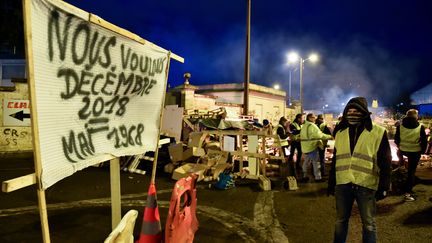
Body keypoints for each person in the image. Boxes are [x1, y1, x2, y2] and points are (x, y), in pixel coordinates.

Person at [327, 97, 392, 243]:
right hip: (343, 183)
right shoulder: (340, 132)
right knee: (340, 221)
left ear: (364, 112)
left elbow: (385, 161)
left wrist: (384, 185)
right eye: (349, 111)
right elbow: (336, 159)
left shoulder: (378, 132)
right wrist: (332, 182)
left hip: (366, 183)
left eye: (356, 111)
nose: (352, 114)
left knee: (369, 223)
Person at [394, 109, 427, 202]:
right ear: (416, 116)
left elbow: (396, 140)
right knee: (411, 172)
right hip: (415, 152)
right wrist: (422, 152)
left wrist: (401, 147)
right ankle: (407, 193)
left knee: (401, 167)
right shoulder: (420, 127)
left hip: (403, 150)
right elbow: (424, 142)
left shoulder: (400, 126)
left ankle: (399, 176)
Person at [300, 113, 332, 182]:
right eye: (313, 117)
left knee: (306, 161)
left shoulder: (304, 126)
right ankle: (318, 177)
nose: (315, 119)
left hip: (306, 147)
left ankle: (304, 175)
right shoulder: (312, 126)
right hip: (312, 146)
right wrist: (329, 136)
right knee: (316, 163)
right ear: (310, 118)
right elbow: (319, 135)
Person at [289, 113, 303, 178]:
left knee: (300, 152)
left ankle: (297, 164)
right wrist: (302, 131)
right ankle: (290, 165)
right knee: (292, 153)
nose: (302, 120)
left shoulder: (299, 124)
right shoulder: (293, 124)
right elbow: (294, 132)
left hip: (298, 141)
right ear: (298, 118)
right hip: (294, 141)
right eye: (301, 118)